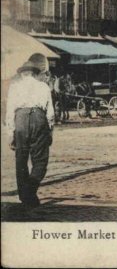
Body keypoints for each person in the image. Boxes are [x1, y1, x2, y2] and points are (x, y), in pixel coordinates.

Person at [6, 60, 55, 210]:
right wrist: (50, 131)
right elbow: (51, 113)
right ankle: (30, 191)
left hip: (20, 119)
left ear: (22, 74)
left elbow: (9, 111)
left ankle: (25, 195)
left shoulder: (15, 87)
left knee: (21, 159)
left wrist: (10, 133)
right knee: (40, 160)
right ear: (35, 73)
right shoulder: (43, 86)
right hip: (39, 119)